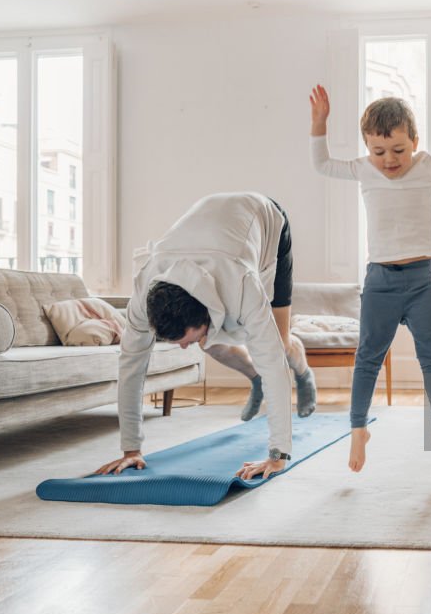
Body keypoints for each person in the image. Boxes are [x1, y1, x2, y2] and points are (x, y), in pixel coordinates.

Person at [308, 64, 431, 473]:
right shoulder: (361, 169)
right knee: (367, 357)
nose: (389, 160)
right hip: (380, 282)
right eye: (379, 151)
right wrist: (319, 122)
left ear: (415, 143)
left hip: (421, 280)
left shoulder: (428, 166)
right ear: (368, 148)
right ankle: (357, 431)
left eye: (399, 151)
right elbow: (321, 164)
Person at [95, 192, 317, 481]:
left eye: (185, 339)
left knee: (281, 344)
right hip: (211, 232)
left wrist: (278, 455)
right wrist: (130, 449)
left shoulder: (242, 284)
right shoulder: (144, 290)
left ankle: (304, 373)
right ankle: (254, 377)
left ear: (205, 314)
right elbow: (130, 367)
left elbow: (273, 362)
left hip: (266, 222)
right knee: (209, 343)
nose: (184, 347)